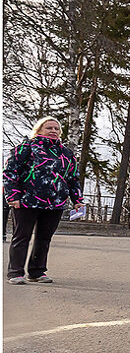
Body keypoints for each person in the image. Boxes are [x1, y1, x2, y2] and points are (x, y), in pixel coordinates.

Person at [4, 116, 84, 284]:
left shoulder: (66, 153)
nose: (53, 131)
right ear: (39, 130)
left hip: (55, 202)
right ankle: (15, 273)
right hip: (27, 200)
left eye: (56, 128)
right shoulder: (27, 147)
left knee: (44, 238)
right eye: (49, 128)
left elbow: (72, 178)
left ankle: (37, 271)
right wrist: (13, 196)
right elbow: (10, 172)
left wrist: (77, 199)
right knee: (21, 236)